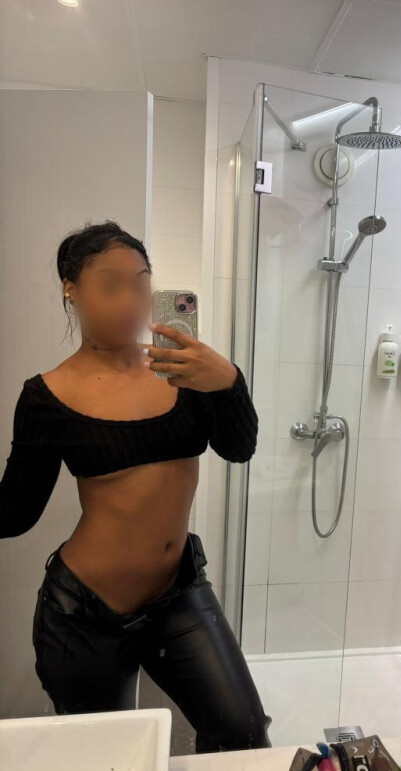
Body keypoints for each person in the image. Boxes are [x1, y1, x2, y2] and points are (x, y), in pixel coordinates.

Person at [0, 220, 272, 754]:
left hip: (179, 593)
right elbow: (14, 512)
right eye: (110, 285)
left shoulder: (183, 371)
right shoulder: (47, 395)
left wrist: (228, 382)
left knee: (242, 734)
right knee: (108, 756)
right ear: (71, 289)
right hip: (84, 616)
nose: (131, 300)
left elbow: (239, 449)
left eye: (141, 283)